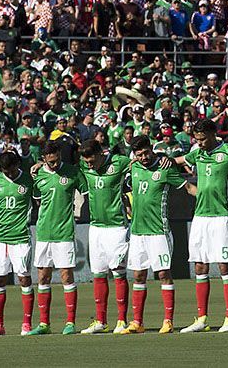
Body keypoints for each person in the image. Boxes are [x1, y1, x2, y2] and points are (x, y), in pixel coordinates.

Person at [173, 119, 228, 333]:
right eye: (197, 139)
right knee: (200, 266)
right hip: (200, 216)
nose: (200, 143)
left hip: (221, 216)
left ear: (213, 134)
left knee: (224, 266)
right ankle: (202, 318)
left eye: (203, 139)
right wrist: (167, 161)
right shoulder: (197, 153)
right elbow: (177, 160)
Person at [122, 135, 197, 334]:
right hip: (137, 232)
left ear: (152, 149)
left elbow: (188, 187)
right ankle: (137, 322)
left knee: (163, 274)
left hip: (159, 231)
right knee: (138, 275)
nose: (143, 158)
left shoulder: (165, 169)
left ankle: (168, 320)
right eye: (139, 155)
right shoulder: (134, 168)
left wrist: (207, 197)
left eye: (146, 153)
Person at [26, 141, 88, 336]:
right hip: (44, 232)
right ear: (44, 159)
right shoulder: (38, 175)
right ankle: (44, 324)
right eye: (50, 162)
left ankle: (70, 322)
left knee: (66, 276)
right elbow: (37, 200)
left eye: (57, 160)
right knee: (43, 277)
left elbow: (87, 194)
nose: (54, 164)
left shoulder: (73, 172)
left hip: (64, 232)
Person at [78, 140, 133, 335]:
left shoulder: (119, 162)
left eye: (92, 160)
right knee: (99, 274)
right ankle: (100, 320)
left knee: (118, 272)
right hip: (96, 228)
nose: (89, 165)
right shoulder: (84, 166)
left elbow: (141, 162)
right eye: (87, 162)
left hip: (117, 227)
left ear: (101, 153)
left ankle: (121, 321)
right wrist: (38, 165)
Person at [0, 151, 35, 336]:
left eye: (11, 170)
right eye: (5, 171)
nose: (9, 174)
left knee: (24, 278)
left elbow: (41, 202)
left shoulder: (28, 180)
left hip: (20, 236)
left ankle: (26, 324)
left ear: (17, 165)